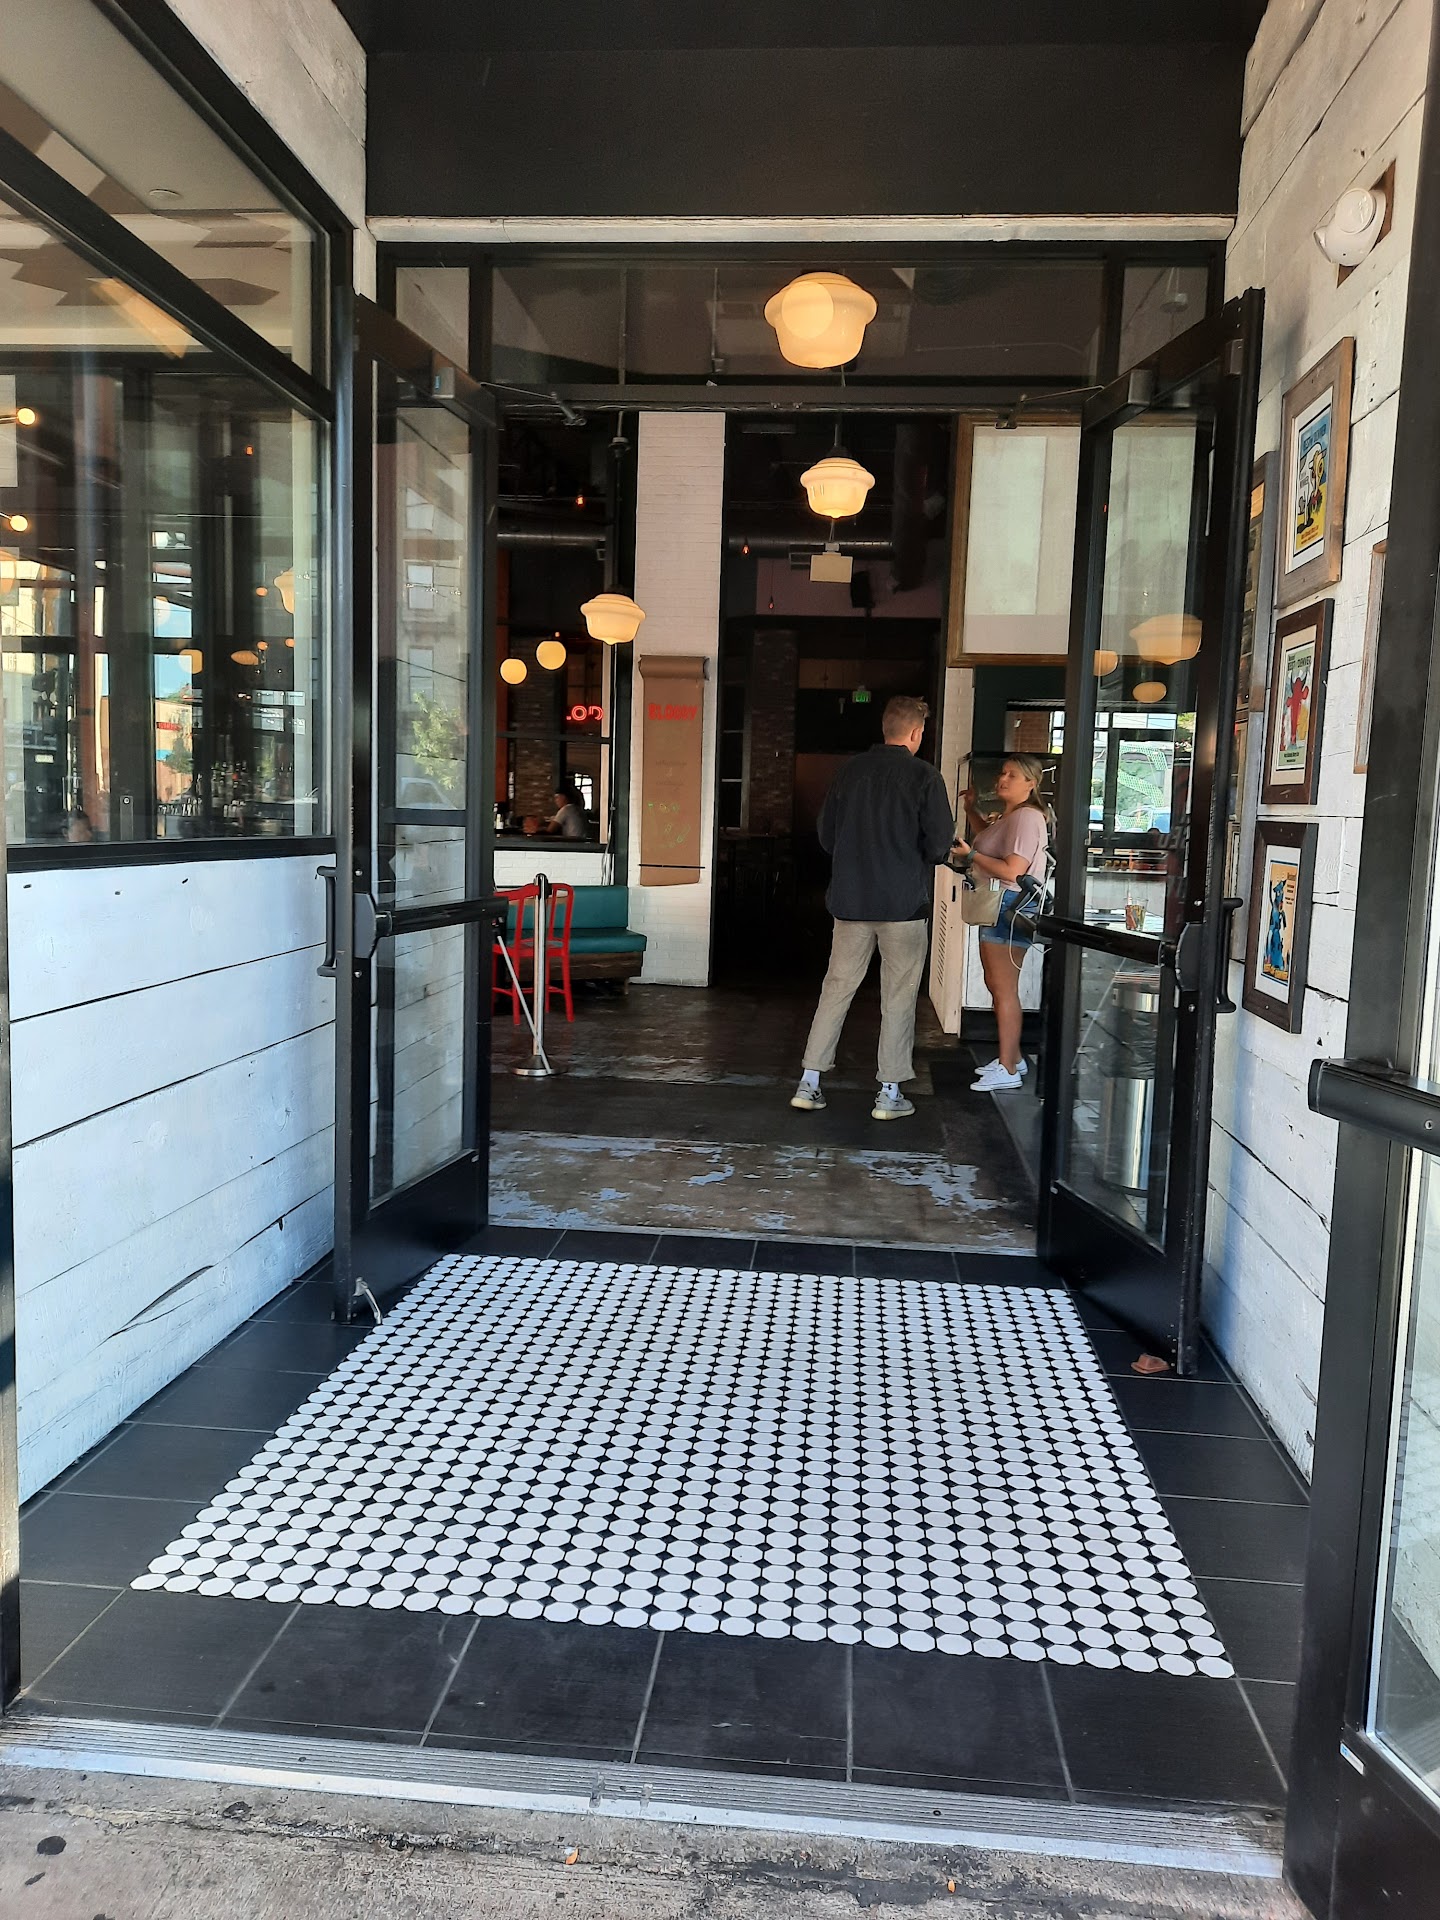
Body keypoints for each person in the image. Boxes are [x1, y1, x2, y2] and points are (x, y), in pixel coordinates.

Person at [791, 694, 954, 1122]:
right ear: (916, 733)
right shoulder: (925, 776)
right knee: (898, 996)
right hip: (903, 904)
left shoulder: (849, 772)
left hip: (851, 902)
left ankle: (809, 1082)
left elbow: (826, 836)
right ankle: (889, 1093)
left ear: (885, 728)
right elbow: (939, 845)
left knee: (836, 989)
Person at [952, 754, 1051, 1093]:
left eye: (1013, 775)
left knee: (1004, 988)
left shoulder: (1026, 817)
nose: (1003, 779)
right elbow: (988, 839)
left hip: (1009, 905)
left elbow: (1013, 870)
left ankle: (1008, 1068)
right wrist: (971, 811)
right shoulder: (1011, 816)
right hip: (1002, 905)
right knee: (997, 984)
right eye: (1003, 773)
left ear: (1031, 784)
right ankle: (1014, 1057)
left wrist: (970, 856)